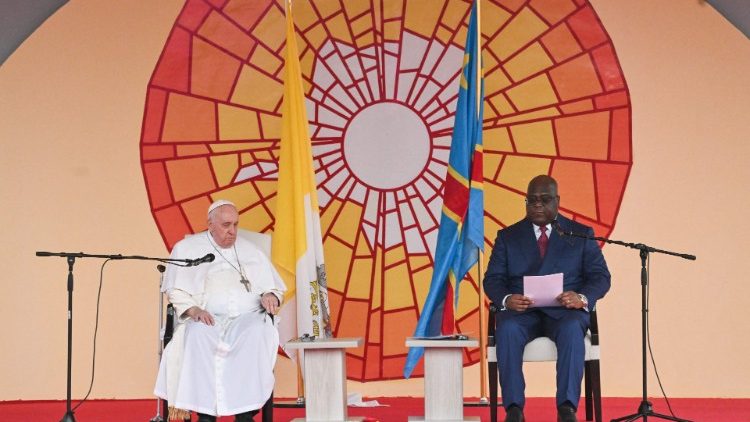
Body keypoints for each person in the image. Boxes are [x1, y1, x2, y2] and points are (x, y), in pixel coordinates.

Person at [483, 175, 611, 422]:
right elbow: (493, 279)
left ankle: (566, 408)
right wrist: (507, 298)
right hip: (522, 314)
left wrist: (581, 297)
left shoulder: (581, 234)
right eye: (531, 200)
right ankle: (513, 410)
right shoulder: (507, 237)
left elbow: (600, 277)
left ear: (557, 201)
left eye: (544, 199)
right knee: (506, 328)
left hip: (564, 313)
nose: (537, 205)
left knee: (573, 327)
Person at [154, 200, 286, 422]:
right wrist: (194, 309)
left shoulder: (250, 251)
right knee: (197, 335)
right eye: (226, 225)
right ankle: (206, 414)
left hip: (247, 318)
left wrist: (270, 296)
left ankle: (245, 414)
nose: (232, 231)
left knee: (256, 334)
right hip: (206, 318)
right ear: (210, 224)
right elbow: (175, 289)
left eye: (235, 224)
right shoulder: (188, 249)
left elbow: (272, 286)